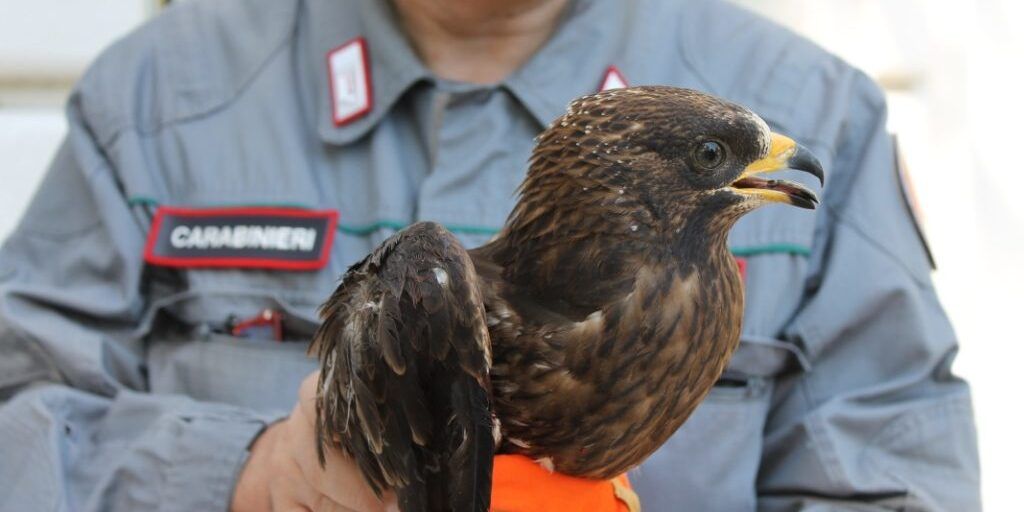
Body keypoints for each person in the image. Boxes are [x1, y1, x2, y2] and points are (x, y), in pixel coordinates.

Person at [0, 0, 981, 510]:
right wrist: (245, 473)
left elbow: (894, 479)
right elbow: (20, 424)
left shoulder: (812, 110)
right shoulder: (152, 95)